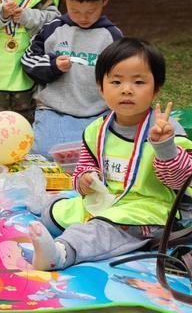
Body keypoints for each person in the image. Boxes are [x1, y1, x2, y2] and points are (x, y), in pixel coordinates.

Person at [29, 38, 192, 270]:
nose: (126, 89)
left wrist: (165, 146)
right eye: (116, 81)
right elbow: (84, 168)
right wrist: (85, 179)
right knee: (53, 214)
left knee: (101, 229)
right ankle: (67, 231)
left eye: (138, 82)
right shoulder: (97, 129)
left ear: (156, 89)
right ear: (101, 87)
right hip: (109, 201)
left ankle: (61, 253)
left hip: (151, 209)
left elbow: (180, 182)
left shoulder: (165, 129)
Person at [21, 0, 123, 157]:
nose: (83, 18)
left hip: (97, 112)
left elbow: (123, 76)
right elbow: (28, 60)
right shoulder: (53, 29)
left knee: (99, 155)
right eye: (75, 11)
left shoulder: (112, 36)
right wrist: (53, 66)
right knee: (46, 154)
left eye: (90, 11)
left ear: (105, 0)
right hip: (54, 110)